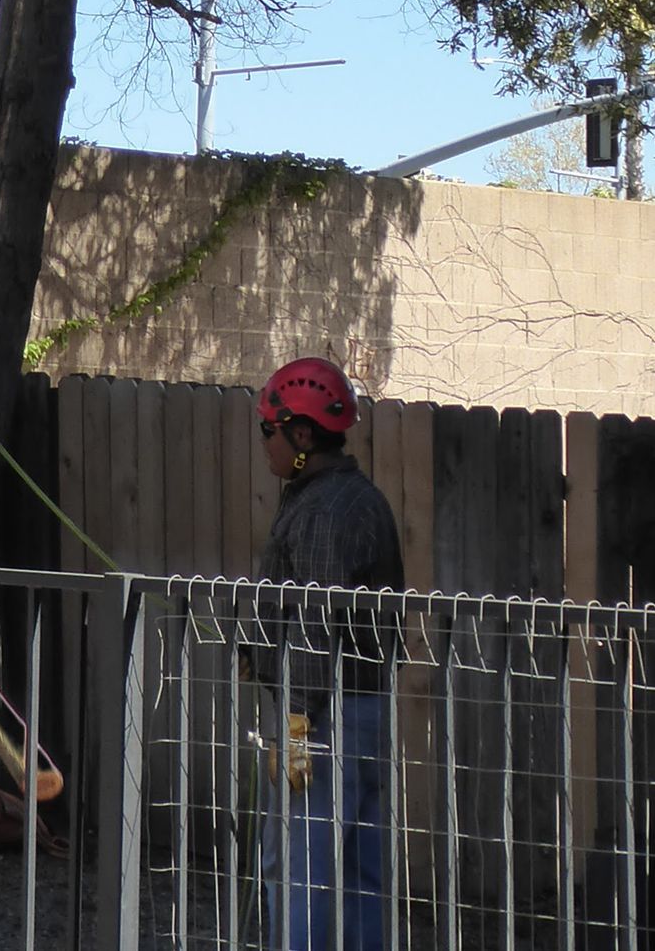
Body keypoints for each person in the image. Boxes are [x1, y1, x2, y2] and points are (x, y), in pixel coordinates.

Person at [254, 356, 404, 951]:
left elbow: (316, 628)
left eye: (269, 430)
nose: (263, 443)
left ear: (302, 435)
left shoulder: (319, 512)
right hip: (364, 710)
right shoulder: (360, 498)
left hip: (322, 721)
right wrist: (257, 651)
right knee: (361, 875)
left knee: (299, 873)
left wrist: (295, 726)